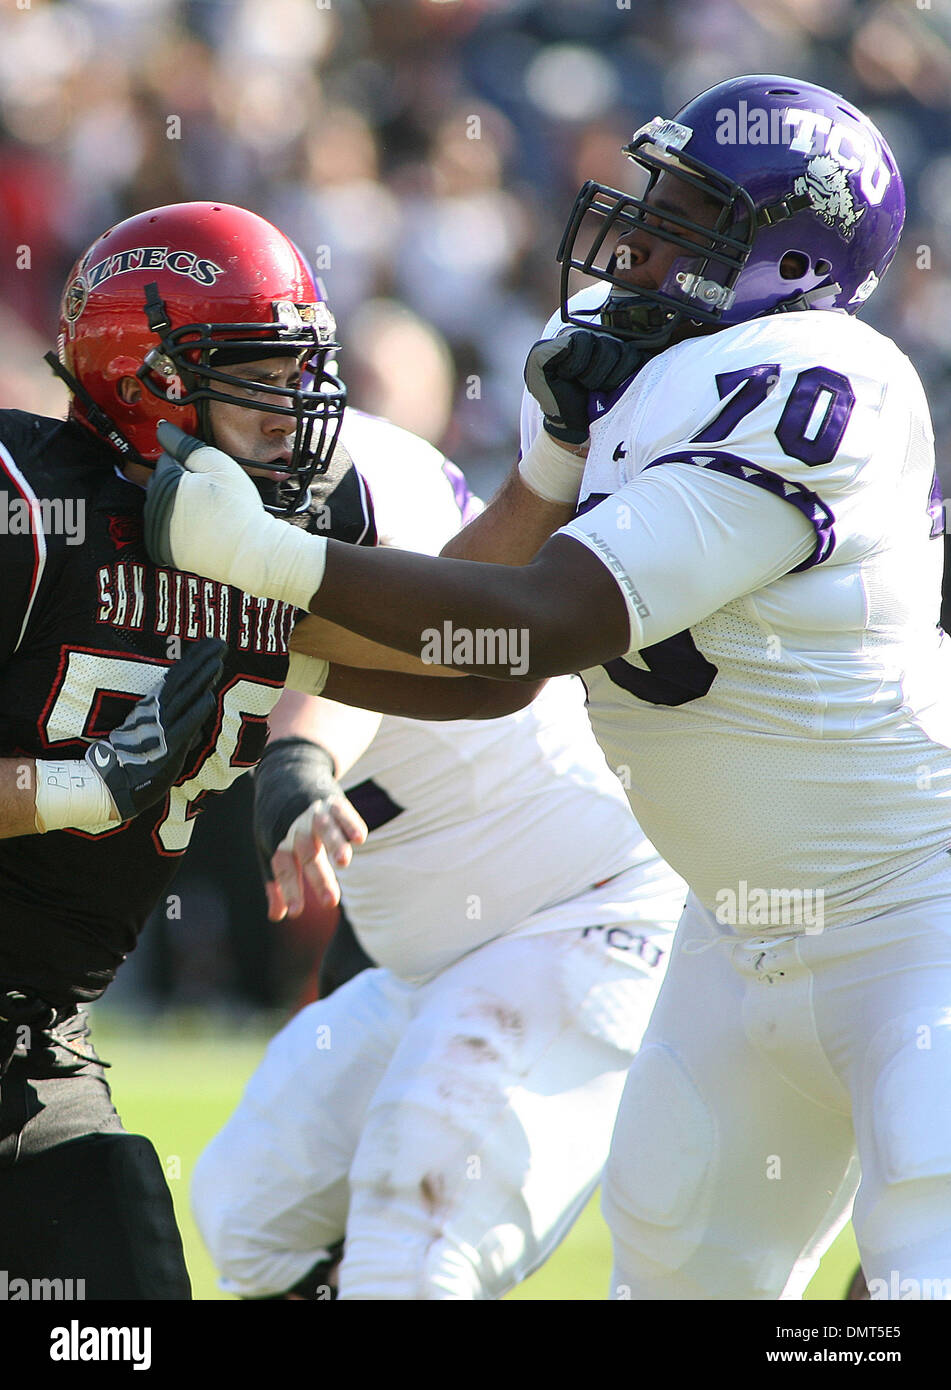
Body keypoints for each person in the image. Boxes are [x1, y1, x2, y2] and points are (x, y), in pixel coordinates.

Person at [146, 76, 951, 1300]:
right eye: (653, 196)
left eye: (689, 215)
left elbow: (540, 626)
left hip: (912, 919)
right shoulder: (627, 367)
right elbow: (472, 657)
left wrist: (264, 563)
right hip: (732, 929)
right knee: (679, 1282)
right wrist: (290, 648)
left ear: (786, 261)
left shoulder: (822, 377)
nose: (637, 232)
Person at [0, 200, 439, 1300]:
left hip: (28, 1033)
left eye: (300, 372)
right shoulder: (29, 509)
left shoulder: (282, 539)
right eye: (258, 374)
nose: (295, 410)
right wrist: (74, 786)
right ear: (147, 379)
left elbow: (486, 662)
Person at [190, 408, 687, 1301]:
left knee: (413, 1249)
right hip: (425, 959)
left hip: (579, 910)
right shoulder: (135, 514)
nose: (277, 402)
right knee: (250, 1214)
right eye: (250, 375)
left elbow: (432, 650)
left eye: (282, 370)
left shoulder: (364, 468)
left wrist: (302, 757)